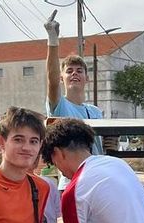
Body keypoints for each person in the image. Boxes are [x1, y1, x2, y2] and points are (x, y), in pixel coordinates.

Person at [44, 11, 104, 193]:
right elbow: (51, 80)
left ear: (87, 78)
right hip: (72, 183)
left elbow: (104, 147)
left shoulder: (95, 112)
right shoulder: (59, 105)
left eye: (79, 70)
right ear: (62, 78)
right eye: (69, 71)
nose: (74, 73)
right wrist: (52, 39)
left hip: (98, 180)